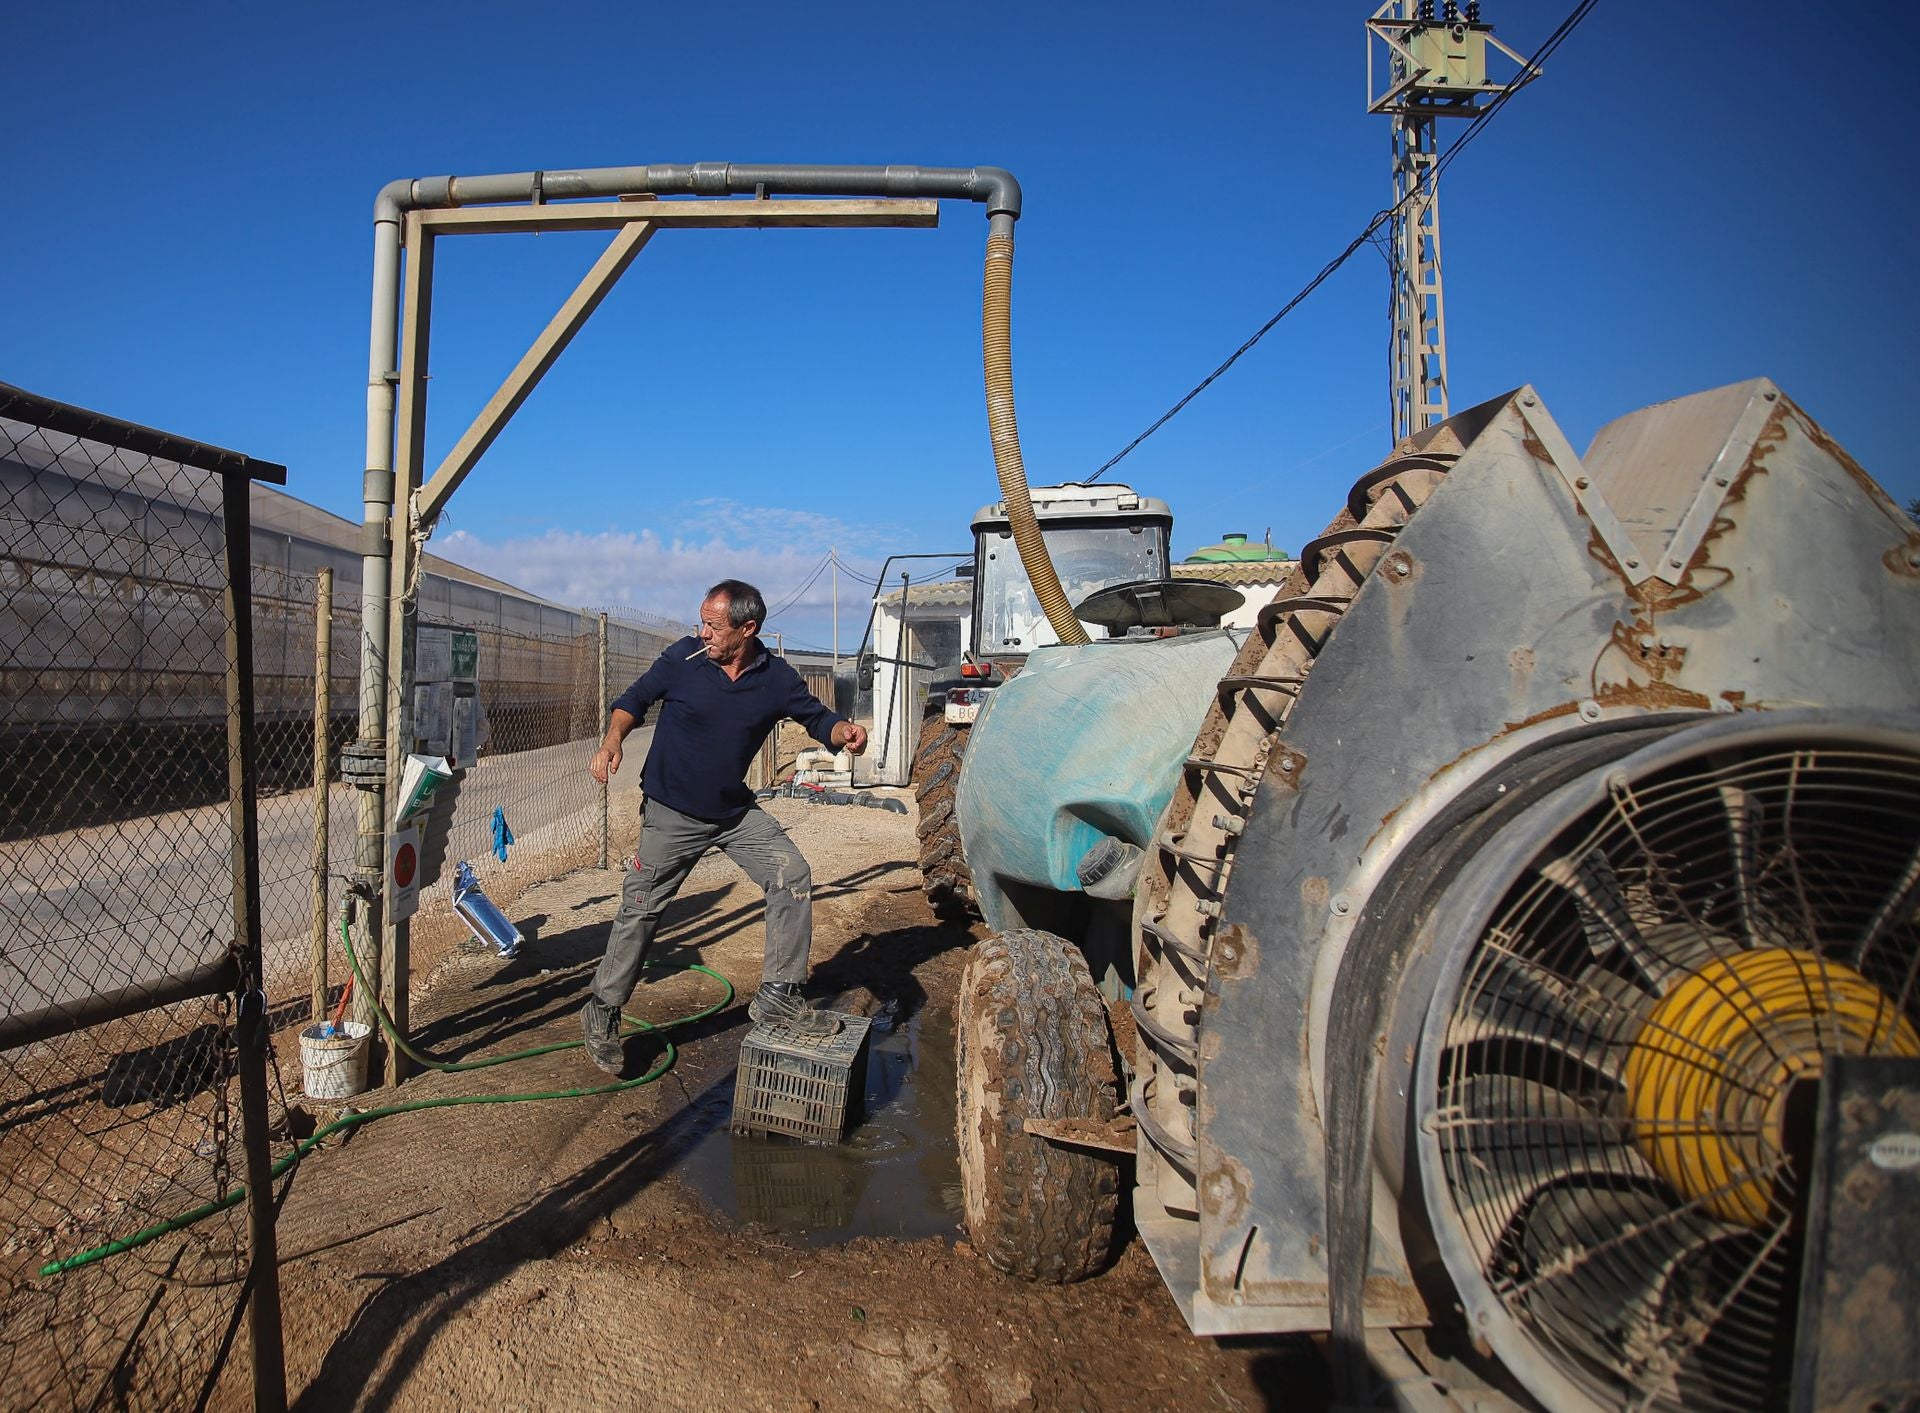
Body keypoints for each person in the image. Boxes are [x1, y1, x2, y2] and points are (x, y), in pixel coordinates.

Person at [579, 579, 868, 1075]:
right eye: (702, 622)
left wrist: (844, 732)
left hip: (733, 812)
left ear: (747, 629)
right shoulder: (683, 659)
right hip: (671, 811)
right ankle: (603, 1008)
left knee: (790, 874)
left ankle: (779, 994)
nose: (703, 633)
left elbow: (815, 717)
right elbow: (634, 699)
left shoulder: (774, 677)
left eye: (713, 626)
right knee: (642, 909)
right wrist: (612, 740)